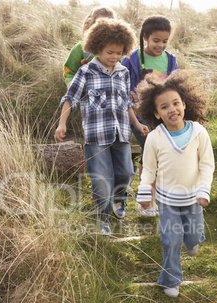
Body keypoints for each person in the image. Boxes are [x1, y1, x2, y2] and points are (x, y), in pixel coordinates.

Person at [55, 19, 149, 235]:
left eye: (119, 52)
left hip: (121, 133)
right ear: (96, 48)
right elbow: (70, 98)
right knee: (102, 179)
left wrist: (137, 124)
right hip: (96, 136)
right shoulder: (86, 72)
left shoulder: (123, 72)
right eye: (110, 52)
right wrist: (62, 124)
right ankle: (103, 217)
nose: (114, 57)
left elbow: (126, 103)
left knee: (125, 172)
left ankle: (119, 199)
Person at [136, 70, 215, 297]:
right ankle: (171, 280)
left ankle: (193, 240)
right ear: (157, 113)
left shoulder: (199, 133)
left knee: (192, 237)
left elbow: (207, 165)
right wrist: (144, 194)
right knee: (171, 239)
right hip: (167, 200)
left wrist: (204, 190)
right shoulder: (154, 138)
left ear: (185, 105)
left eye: (176, 103)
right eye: (164, 107)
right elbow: (149, 169)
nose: (172, 109)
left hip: (194, 198)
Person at [121, 15, 179, 217]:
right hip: (139, 117)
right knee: (149, 154)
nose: (160, 45)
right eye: (156, 40)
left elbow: (176, 87)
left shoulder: (170, 60)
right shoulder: (132, 59)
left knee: (163, 157)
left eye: (165, 41)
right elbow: (121, 82)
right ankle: (146, 201)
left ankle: (161, 197)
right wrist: (129, 92)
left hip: (162, 116)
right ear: (145, 37)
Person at [63, 7, 115, 87]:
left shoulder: (118, 48)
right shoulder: (80, 48)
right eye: (99, 24)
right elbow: (69, 71)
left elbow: (125, 70)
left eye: (108, 24)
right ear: (91, 24)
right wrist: (72, 85)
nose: (104, 29)